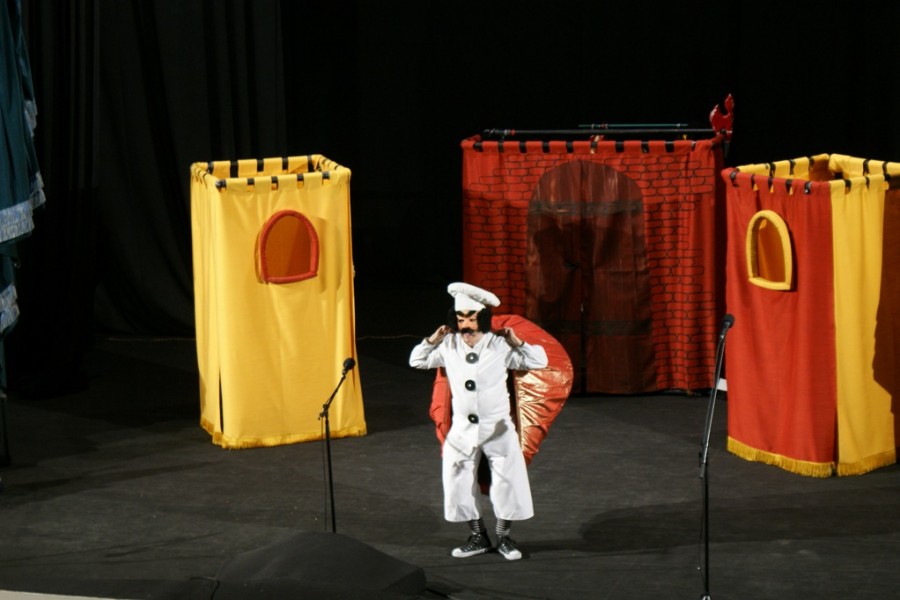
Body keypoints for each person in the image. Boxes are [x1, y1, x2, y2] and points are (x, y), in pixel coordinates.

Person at [409, 282, 548, 561]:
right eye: (461, 319)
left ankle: (505, 538)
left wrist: (517, 342)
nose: (466, 325)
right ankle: (479, 537)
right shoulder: (449, 345)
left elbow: (538, 361)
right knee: (457, 479)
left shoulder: (499, 345)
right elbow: (417, 360)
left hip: (498, 427)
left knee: (508, 481)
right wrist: (431, 340)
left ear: (481, 319)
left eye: (472, 318)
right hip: (462, 428)